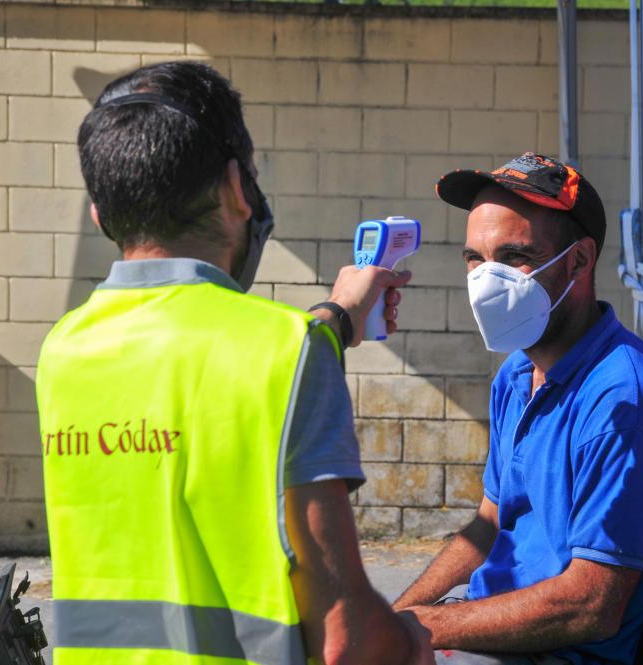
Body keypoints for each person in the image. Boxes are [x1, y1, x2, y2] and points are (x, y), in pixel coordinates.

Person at [35, 61, 430, 665]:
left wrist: (339, 316)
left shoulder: (64, 349)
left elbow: (184, 367)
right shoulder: (284, 350)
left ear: (100, 211)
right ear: (236, 190)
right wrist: (409, 643)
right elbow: (345, 636)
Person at [393, 153, 643, 665]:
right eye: (475, 258)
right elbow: (487, 527)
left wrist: (427, 625)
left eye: (514, 256)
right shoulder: (516, 376)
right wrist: (396, 619)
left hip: (563, 652)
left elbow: (590, 605)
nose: (486, 279)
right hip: (494, 625)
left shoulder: (623, 402)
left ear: (579, 261)